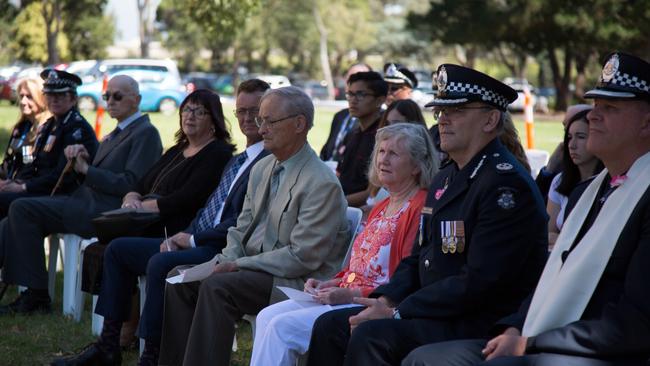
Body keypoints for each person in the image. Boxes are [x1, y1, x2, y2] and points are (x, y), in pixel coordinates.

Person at [400, 51, 650, 366]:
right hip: (547, 335)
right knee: (422, 359)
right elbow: (554, 278)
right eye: (596, 105)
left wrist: (531, 342)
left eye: (610, 108)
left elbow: (636, 322)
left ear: (647, 123)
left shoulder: (643, 197)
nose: (593, 116)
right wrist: (515, 327)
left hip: (606, 351)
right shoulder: (589, 192)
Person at [306, 64, 549, 366]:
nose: (443, 119)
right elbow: (418, 258)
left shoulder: (505, 186)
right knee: (331, 327)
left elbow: (480, 281)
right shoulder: (447, 177)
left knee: (371, 335)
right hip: (436, 310)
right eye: (441, 111)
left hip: (477, 320)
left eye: (457, 111)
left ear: (490, 120)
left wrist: (398, 311)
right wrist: (385, 299)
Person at [51, 79, 271, 366]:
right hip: (188, 233)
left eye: (255, 112)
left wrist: (189, 237)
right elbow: (206, 208)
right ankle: (108, 345)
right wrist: (175, 227)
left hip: (217, 247)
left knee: (159, 262)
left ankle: (152, 355)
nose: (246, 119)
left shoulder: (241, 158)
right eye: (241, 111)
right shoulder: (237, 160)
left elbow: (226, 215)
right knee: (117, 250)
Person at [157, 86, 350, 366]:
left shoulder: (321, 182)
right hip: (251, 269)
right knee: (179, 277)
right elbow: (240, 228)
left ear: (299, 124)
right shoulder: (262, 167)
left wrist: (238, 266)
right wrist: (227, 259)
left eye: (270, 121)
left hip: (295, 280)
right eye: (261, 120)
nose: (262, 129)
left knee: (217, 286)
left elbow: (302, 257)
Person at [250, 123, 438, 366]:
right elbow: (360, 266)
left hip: (373, 303)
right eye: (381, 152)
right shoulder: (383, 205)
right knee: (267, 315)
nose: (384, 159)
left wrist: (349, 293)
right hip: (347, 294)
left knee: (281, 327)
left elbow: (403, 278)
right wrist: (332, 282)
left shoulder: (418, 207)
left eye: (394, 153)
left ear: (416, 165)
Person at [0, 74, 162, 315]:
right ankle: (20, 287)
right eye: (107, 96)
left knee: (22, 209)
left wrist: (87, 170)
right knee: (11, 219)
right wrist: (82, 159)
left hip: (102, 210)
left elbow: (132, 183)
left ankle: (36, 295)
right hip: (84, 202)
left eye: (118, 96)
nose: (111, 102)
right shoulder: (120, 131)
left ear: (136, 100)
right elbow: (96, 173)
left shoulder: (145, 133)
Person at [0, 71, 98, 219]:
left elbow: (61, 176)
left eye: (60, 95)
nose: (23, 102)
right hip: (27, 182)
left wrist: (21, 186)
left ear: (73, 99)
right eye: (50, 95)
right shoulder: (25, 127)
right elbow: (29, 163)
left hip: (59, 195)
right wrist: (14, 182)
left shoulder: (75, 128)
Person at [547, 107, 603, 249]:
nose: (572, 145)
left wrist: (562, 240)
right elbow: (548, 233)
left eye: (581, 137)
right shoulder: (560, 180)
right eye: (569, 137)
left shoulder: (609, 183)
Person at [337, 71, 387, 207]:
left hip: (363, 212)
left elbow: (373, 192)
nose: (353, 100)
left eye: (361, 94)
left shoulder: (383, 138)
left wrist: (335, 203)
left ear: (380, 100)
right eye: (350, 94)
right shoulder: (353, 133)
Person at [535, 104, 592, 200]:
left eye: (580, 135)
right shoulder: (560, 165)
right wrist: (549, 168)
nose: (571, 144)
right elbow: (537, 202)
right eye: (565, 126)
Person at [320, 63, 372, 162]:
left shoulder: (374, 121)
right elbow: (326, 151)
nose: (355, 83)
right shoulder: (340, 116)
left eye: (361, 78)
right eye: (351, 78)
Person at [0, 77, 50, 180]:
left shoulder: (48, 129)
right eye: (21, 96)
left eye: (29, 97)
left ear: (41, 98)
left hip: (28, 187)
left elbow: (31, 166)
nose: (23, 102)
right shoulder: (22, 126)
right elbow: (7, 162)